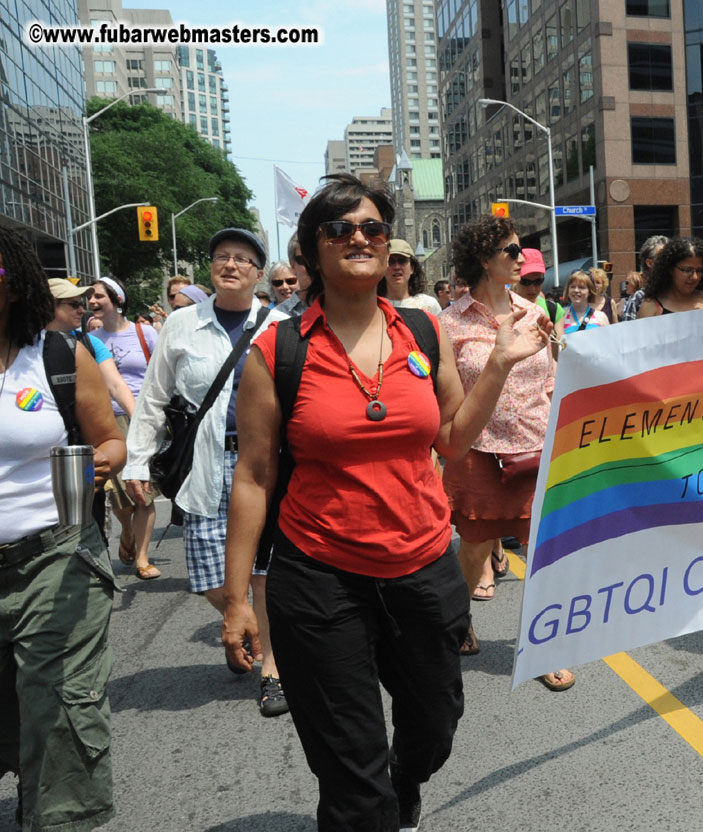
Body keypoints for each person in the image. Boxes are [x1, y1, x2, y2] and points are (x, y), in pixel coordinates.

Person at [219, 175, 553, 829]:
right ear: (311, 251)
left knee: (433, 725)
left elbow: (454, 439)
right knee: (351, 773)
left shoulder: (424, 333)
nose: (360, 239)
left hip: (421, 567)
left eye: (372, 228)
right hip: (318, 578)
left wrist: (501, 364)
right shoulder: (275, 351)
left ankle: (407, 779)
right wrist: (236, 600)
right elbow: (254, 477)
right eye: (339, 229)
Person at [122, 227, 290, 715]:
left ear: (259, 273)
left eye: (242, 258)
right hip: (205, 464)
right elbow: (154, 396)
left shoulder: (280, 323)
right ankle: (242, 621)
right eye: (221, 257)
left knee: (264, 569)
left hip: (265, 463)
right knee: (210, 575)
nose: (231, 265)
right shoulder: (180, 324)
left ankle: (273, 671)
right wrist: (137, 458)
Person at [0, 226, 126, 832]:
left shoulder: (54, 355)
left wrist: (104, 461)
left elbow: (109, 439)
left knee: (58, 713)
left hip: (53, 553)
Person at [438, 215, 574, 692]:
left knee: (545, 554)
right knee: (473, 549)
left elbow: (557, 373)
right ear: (482, 259)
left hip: (538, 449)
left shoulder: (537, 312)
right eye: (510, 251)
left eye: (521, 251)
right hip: (477, 452)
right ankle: (459, 623)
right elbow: (444, 396)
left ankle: (544, 645)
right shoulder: (448, 323)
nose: (521, 259)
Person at [47, 277, 136, 539]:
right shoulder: (19, 349)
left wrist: (141, 424)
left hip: (80, 461)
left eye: (82, 303)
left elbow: (116, 386)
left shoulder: (88, 344)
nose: (82, 309)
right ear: (47, 306)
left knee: (91, 533)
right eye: (73, 304)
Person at [89, 275, 160, 575]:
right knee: (117, 494)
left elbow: (163, 373)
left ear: (117, 300)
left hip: (141, 417)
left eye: (99, 296)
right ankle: (127, 531)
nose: (92, 301)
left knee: (143, 487)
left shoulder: (145, 334)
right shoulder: (88, 339)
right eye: (90, 297)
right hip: (106, 420)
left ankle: (142, 558)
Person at [637, 238, 703, 317]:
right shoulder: (651, 307)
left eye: (699, 271)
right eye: (686, 270)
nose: (695, 277)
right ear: (670, 269)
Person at [379, 238, 442, 315]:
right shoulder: (373, 306)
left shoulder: (429, 305)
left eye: (402, 261)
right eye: (391, 261)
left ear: (412, 268)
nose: (397, 267)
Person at [621, 235, 669, 321]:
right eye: (664, 258)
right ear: (650, 263)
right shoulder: (639, 298)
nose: (669, 262)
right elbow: (631, 332)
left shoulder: (687, 293)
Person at [562, 270, 610, 335]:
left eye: (581, 287)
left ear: (589, 291)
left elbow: (608, 342)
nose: (576, 290)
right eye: (572, 287)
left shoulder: (600, 317)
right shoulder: (561, 316)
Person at [275, 237, 312, 316]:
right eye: (303, 260)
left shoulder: (342, 306)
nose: (312, 265)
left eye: (317, 258)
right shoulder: (277, 316)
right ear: (293, 266)